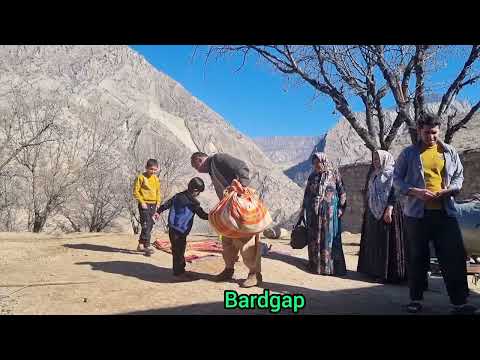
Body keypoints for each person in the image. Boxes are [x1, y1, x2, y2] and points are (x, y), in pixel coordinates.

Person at [393, 113, 477, 315]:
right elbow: (397, 180)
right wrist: (416, 192)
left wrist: (448, 191)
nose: (431, 136)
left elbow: (459, 176)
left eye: (434, 132)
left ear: (439, 131)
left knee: (453, 256)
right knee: (418, 257)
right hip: (417, 215)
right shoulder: (409, 154)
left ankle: (459, 302)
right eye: (426, 132)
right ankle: (415, 299)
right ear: (419, 131)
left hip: (445, 212)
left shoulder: (448, 152)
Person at [190, 151, 262, 288]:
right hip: (227, 209)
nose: (197, 171)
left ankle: (254, 274)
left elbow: (242, 167)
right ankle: (229, 269)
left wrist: (240, 190)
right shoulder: (212, 168)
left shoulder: (218, 158)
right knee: (227, 240)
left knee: (246, 240)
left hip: (239, 206)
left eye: (196, 167)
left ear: (199, 160)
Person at [357, 150, 407, 283]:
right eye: (374, 159)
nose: (375, 161)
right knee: (375, 241)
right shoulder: (374, 174)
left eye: (378, 159)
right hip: (373, 213)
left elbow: (396, 192)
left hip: (389, 211)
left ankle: (388, 274)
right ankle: (373, 271)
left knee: (387, 242)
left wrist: (389, 208)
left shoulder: (393, 174)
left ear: (385, 159)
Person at [153, 177, 209, 281]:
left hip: (174, 229)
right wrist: (213, 217)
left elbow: (166, 204)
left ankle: (181, 270)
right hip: (179, 229)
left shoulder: (178, 196)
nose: (199, 195)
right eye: (199, 192)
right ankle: (178, 273)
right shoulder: (194, 203)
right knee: (178, 251)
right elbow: (202, 215)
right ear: (195, 191)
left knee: (179, 250)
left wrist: (158, 211)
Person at [301, 152, 347, 276]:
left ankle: (329, 268)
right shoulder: (312, 176)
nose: (316, 165)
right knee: (314, 239)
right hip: (313, 214)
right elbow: (306, 195)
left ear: (324, 161)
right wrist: (303, 211)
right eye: (314, 163)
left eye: (319, 162)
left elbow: (342, 192)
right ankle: (315, 266)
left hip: (329, 216)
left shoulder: (334, 174)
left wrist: (341, 208)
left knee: (328, 239)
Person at [133, 159, 161, 256]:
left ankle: (141, 245)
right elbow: (135, 191)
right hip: (144, 204)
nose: (153, 171)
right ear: (146, 168)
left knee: (150, 224)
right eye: (151, 169)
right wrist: (142, 202)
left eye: (155, 170)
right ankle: (147, 246)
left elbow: (158, 192)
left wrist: (158, 203)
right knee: (146, 224)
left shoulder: (156, 179)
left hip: (154, 205)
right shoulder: (141, 177)